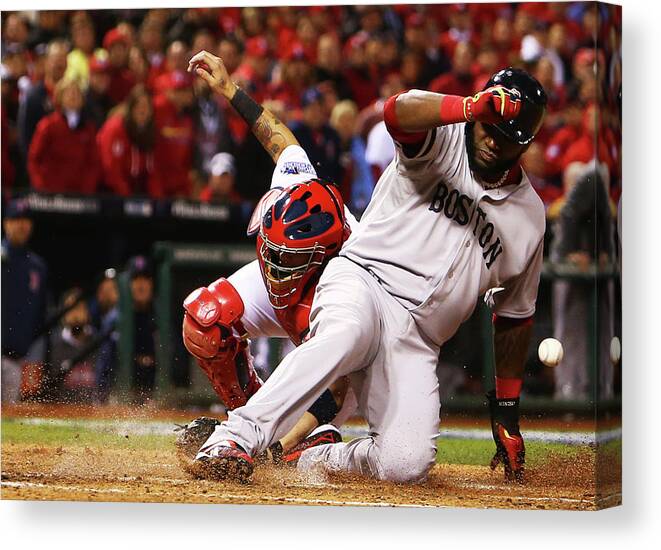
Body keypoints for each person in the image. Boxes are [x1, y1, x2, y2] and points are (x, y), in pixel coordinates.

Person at [190, 55, 547, 485]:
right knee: (343, 335)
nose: (491, 140)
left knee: (405, 464)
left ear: (526, 144)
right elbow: (397, 110)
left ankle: (312, 458)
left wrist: (506, 415)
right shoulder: (444, 138)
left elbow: (514, 317)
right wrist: (472, 107)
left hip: (417, 340)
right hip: (365, 280)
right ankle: (235, 437)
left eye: (506, 136)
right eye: (487, 127)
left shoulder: (529, 219)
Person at [180, 50, 361, 471]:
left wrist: (277, 446)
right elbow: (276, 135)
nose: (273, 259)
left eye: (284, 255)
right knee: (205, 318)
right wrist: (229, 88)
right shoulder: (300, 182)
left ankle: (297, 439)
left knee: (348, 388)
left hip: (331, 314)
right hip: (299, 289)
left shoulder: (355, 272)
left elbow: (340, 383)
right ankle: (247, 418)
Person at [1, 199, 48, 404]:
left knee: (8, 426)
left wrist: (32, 360)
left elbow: (39, 317)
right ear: (6, 224)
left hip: (15, 359)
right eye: (16, 219)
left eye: (26, 220)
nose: (22, 225)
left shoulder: (37, 266)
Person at [28, 77, 100, 194]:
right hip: (50, 193)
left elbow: (93, 162)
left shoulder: (88, 129)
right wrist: (41, 187)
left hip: (80, 195)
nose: (73, 96)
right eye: (68, 93)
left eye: (77, 93)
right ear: (59, 98)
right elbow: (34, 159)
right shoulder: (47, 126)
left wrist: (87, 190)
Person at [97, 85, 160, 197]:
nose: (142, 110)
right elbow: (110, 168)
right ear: (130, 108)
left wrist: (157, 199)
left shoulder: (150, 131)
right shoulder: (115, 128)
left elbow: (153, 171)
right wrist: (127, 196)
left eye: (146, 106)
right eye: (138, 106)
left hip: (135, 190)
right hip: (109, 191)